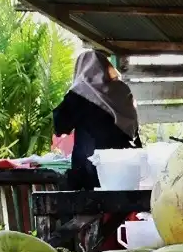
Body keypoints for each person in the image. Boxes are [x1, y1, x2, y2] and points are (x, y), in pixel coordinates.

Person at [53, 48, 141, 190]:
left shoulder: (80, 93)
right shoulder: (122, 90)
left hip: (92, 169)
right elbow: (134, 129)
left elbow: (60, 126)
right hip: (125, 167)